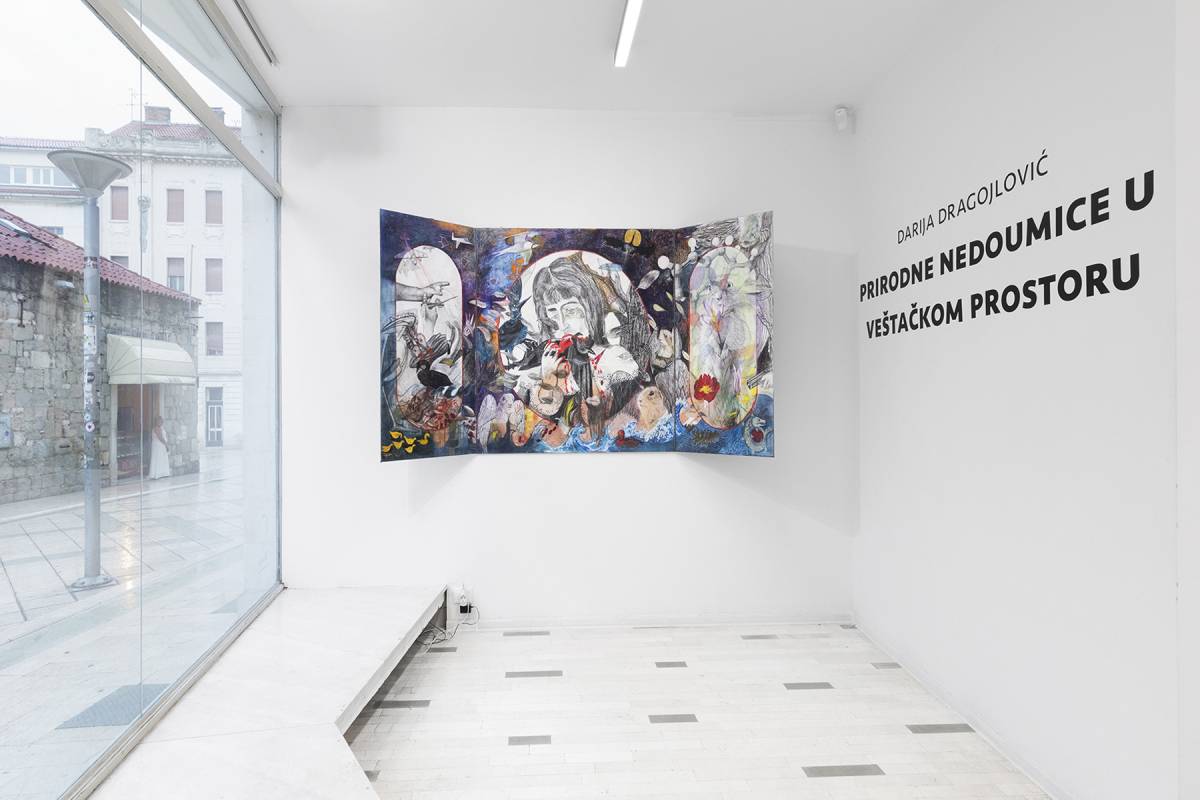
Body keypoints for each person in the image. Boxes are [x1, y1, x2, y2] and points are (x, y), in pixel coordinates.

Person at [148, 415, 171, 480]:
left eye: (161, 421)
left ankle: (162, 473)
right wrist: (166, 445)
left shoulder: (161, 428)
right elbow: (160, 437)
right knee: (157, 459)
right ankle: (156, 474)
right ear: (157, 421)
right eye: (159, 421)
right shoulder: (156, 428)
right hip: (158, 446)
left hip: (161, 446)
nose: (161, 422)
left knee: (161, 459)